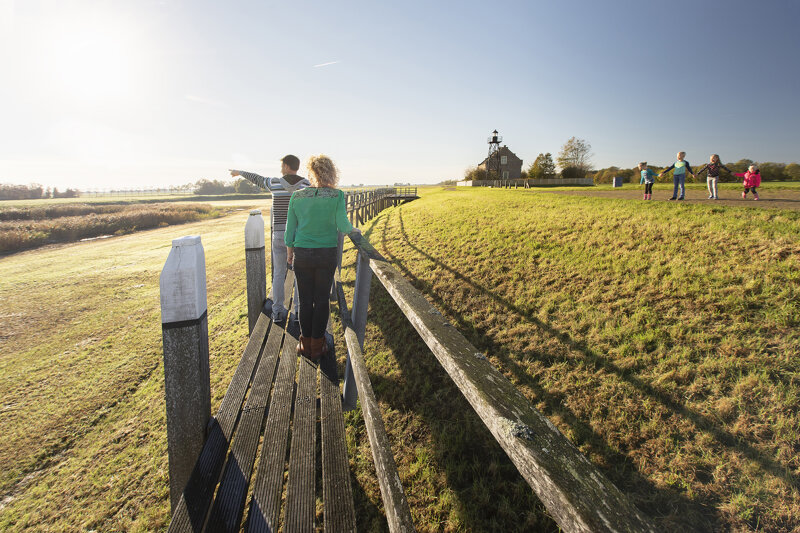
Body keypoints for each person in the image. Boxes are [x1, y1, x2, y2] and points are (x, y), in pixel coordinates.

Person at [285, 155, 355, 361]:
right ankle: (318, 345)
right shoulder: (337, 196)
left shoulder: (297, 196)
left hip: (303, 254)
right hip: (326, 254)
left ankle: (304, 344)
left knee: (305, 301)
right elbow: (343, 226)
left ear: (311, 173)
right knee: (322, 300)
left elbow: (290, 231)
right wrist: (354, 230)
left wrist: (290, 253)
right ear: (331, 172)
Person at [230, 155, 310, 323]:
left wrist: (239, 172)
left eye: (282, 165)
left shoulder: (274, 183)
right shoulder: (306, 185)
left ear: (287, 166)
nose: (281, 168)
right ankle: (298, 312)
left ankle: (278, 312)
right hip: (299, 236)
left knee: (279, 273)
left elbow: (257, 179)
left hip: (279, 235)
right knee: (299, 275)